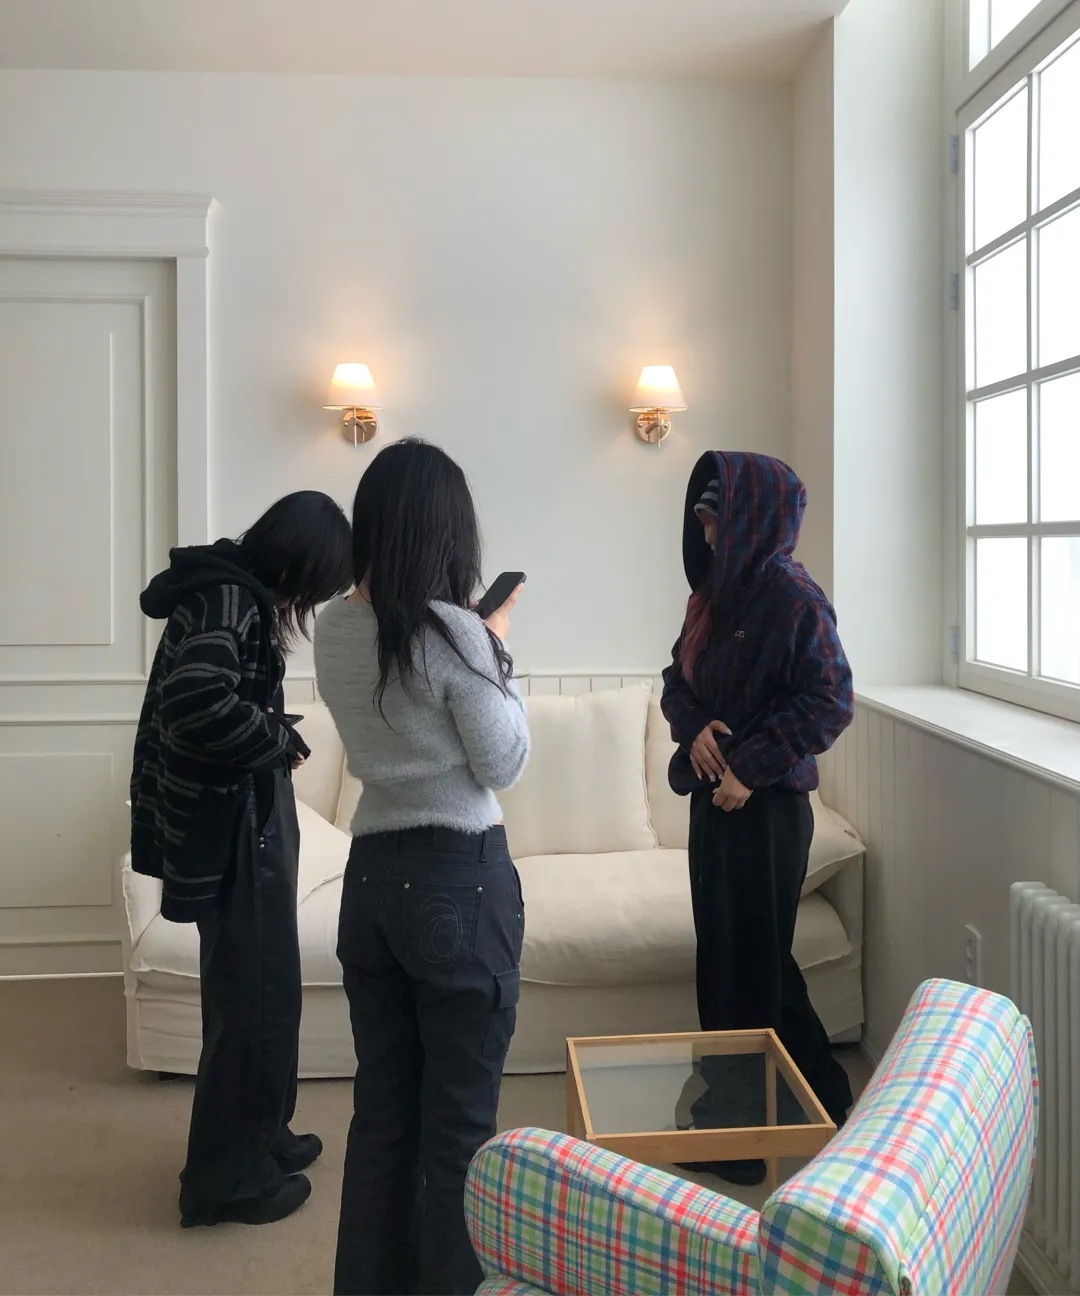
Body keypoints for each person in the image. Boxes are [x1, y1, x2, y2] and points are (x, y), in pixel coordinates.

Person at [315, 439, 530, 1296]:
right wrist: (495, 646)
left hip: (371, 878)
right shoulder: (455, 633)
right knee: (459, 1133)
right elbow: (503, 761)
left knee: (382, 1118)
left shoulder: (333, 625)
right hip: (456, 879)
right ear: (448, 532)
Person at [130, 491, 352, 1227]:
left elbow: (205, 699)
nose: (314, 600)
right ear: (300, 563)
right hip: (235, 831)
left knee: (264, 995)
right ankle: (224, 1182)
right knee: (251, 1004)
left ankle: (263, 1137)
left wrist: (268, 731)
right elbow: (196, 701)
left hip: (241, 823)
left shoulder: (227, 590)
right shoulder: (230, 598)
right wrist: (275, 739)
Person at [662, 451, 854, 1186]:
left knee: (743, 972)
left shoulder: (794, 597)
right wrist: (695, 729)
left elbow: (831, 700)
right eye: (702, 520)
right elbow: (675, 680)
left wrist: (750, 765)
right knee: (743, 961)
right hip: (713, 801)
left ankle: (737, 1144)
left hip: (766, 809)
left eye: (716, 520)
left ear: (754, 519)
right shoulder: (712, 595)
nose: (706, 534)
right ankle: (829, 1103)